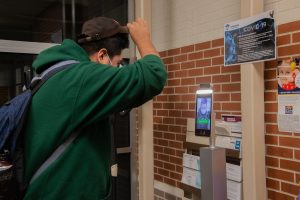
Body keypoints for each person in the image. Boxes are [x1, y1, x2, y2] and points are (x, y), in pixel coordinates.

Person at [23, 17, 167, 200]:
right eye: (117, 63)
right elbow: (154, 74)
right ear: (102, 56)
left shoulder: (57, 76)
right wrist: (143, 39)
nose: (118, 69)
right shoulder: (81, 79)